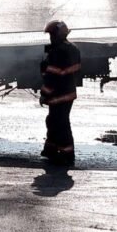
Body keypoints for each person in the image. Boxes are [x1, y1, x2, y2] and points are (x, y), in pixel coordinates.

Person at [39, 20, 81, 167]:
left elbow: (52, 76)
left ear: (57, 35)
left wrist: (44, 94)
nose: (50, 38)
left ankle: (66, 154)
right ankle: (51, 149)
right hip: (68, 92)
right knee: (54, 121)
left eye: (51, 35)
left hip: (58, 95)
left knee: (60, 123)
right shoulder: (73, 49)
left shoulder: (57, 52)